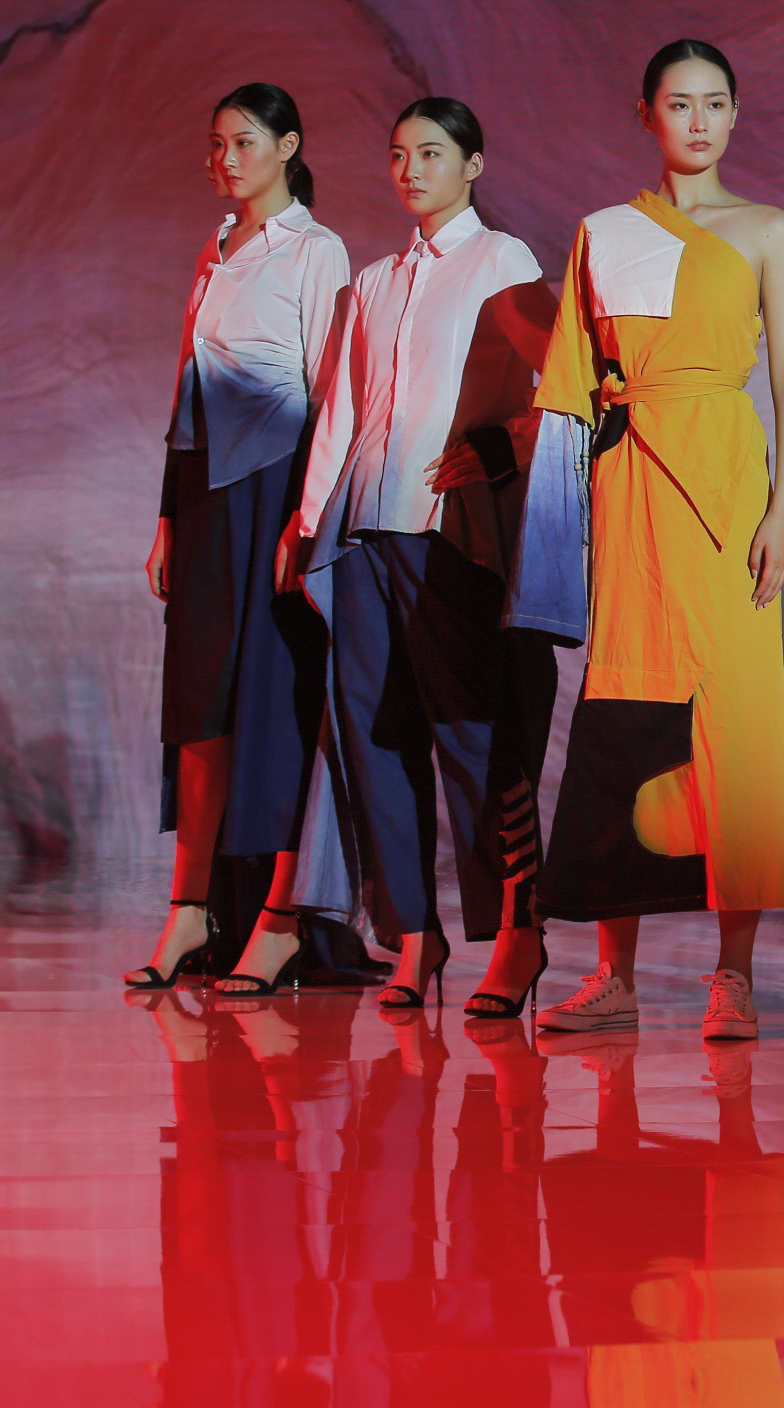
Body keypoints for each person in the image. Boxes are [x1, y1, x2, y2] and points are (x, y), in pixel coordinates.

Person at [529, 40, 784, 1041]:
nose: (698, 121)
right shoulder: (603, 232)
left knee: (737, 728)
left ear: (735, 115)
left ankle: (733, 977)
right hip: (632, 491)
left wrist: (782, 512)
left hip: (730, 494)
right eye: (679, 103)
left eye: (715, 103)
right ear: (645, 113)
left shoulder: (769, 230)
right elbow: (568, 390)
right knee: (626, 717)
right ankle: (615, 977)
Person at [274, 97, 560, 1013]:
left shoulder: (501, 258)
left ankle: (518, 931)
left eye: (431, 153)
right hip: (362, 530)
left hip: (448, 531)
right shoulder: (373, 280)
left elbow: (563, 379)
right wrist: (308, 524)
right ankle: (413, 934)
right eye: (399, 155)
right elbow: (343, 411)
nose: (411, 170)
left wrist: (506, 446)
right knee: (375, 735)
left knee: (474, 734)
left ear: (472, 165)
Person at [127, 83, 344, 994]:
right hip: (207, 492)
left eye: (244, 141)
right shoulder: (216, 245)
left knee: (274, 701)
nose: (226, 159)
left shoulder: (315, 249)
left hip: (277, 490)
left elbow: (331, 392)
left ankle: (279, 918)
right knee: (199, 703)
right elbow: (189, 385)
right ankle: (190, 909)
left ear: (288, 146)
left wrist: (309, 515)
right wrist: (167, 515)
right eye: (217, 143)